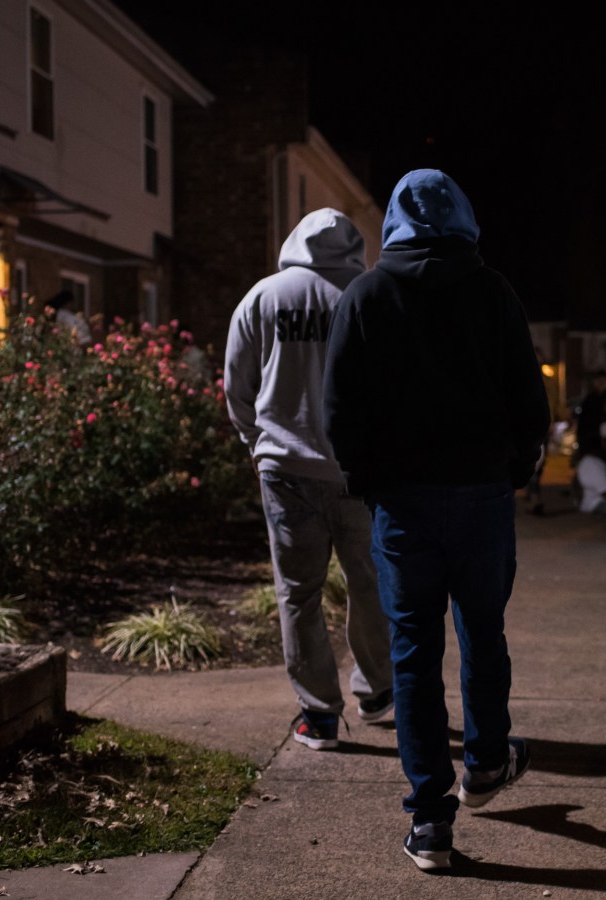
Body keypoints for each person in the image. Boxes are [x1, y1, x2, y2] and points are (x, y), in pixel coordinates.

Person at [323, 170, 549, 871]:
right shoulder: (493, 291)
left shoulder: (365, 295)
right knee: (484, 631)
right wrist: (513, 470)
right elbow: (529, 401)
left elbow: (340, 409)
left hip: (403, 500)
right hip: (481, 493)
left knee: (414, 652)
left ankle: (429, 820)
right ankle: (485, 762)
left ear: (393, 221)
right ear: (463, 218)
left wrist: (369, 480)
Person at [224, 207, 393, 753]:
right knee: (371, 585)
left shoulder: (264, 297)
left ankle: (319, 715)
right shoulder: (372, 294)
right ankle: (376, 691)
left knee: (298, 594)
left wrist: (259, 445)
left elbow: (237, 385)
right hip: (360, 471)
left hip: (287, 470)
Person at [575, 426, 606, 518]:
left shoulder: (593, 460)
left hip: (600, 501)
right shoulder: (591, 464)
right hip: (597, 504)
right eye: (604, 441)